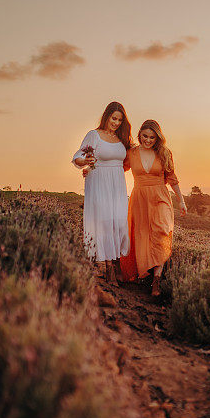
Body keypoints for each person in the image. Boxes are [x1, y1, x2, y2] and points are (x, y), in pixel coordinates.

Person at [121, 119, 187, 297]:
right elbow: (117, 168)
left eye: (152, 137)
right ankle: (147, 273)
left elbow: (172, 179)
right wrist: (93, 170)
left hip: (160, 197)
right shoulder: (131, 153)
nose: (148, 140)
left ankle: (156, 279)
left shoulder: (164, 153)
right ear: (139, 134)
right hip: (140, 199)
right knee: (142, 236)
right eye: (145, 136)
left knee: (162, 231)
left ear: (158, 138)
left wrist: (181, 201)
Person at [72, 102, 133, 283]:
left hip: (118, 185)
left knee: (119, 222)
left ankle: (114, 262)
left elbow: (125, 163)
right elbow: (78, 156)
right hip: (99, 182)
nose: (116, 122)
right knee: (104, 222)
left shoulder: (122, 139)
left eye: (120, 120)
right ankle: (104, 265)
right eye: (114, 118)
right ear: (106, 116)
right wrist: (85, 163)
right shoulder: (94, 135)